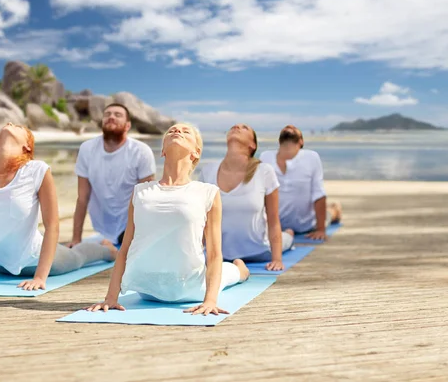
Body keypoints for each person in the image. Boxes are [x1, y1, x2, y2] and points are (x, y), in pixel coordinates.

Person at [0, 123, 117, 291]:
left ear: (27, 146)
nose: (9, 123)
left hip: (34, 260)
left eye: (18, 126)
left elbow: (52, 225)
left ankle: (107, 249)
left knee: (77, 257)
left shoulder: (37, 170)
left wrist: (40, 277)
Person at [86, 123, 250, 316]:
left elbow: (214, 253)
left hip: (191, 289)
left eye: (185, 131)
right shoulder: (140, 192)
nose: (177, 131)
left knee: (230, 273)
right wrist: (111, 298)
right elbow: (125, 249)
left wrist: (210, 300)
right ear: (163, 151)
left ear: (196, 152)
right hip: (146, 289)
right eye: (172, 130)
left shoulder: (207, 192)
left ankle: (240, 269)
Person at [200, 123, 294, 271]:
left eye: (244, 128)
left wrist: (277, 259)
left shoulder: (264, 171)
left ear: (252, 145)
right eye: (234, 126)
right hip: (221, 254)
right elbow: (201, 220)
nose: (237, 126)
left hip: (262, 250)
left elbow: (273, 219)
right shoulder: (208, 171)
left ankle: (289, 234)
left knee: (286, 239)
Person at [69, 103, 156, 249]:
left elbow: (147, 199)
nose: (111, 117)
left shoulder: (141, 151)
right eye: (107, 114)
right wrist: (76, 239)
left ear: (127, 125)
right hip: (102, 228)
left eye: (118, 115)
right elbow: (82, 198)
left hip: (132, 225)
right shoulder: (87, 149)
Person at [260, 125, 342, 240]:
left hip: (306, 224)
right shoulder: (266, 157)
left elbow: (318, 194)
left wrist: (320, 230)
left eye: (295, 129)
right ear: (279, 142)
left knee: (329, 215)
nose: (290, 126)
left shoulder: (311, 157)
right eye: (287, 128)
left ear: (301, 142)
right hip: (276, 225)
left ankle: (335, 210)